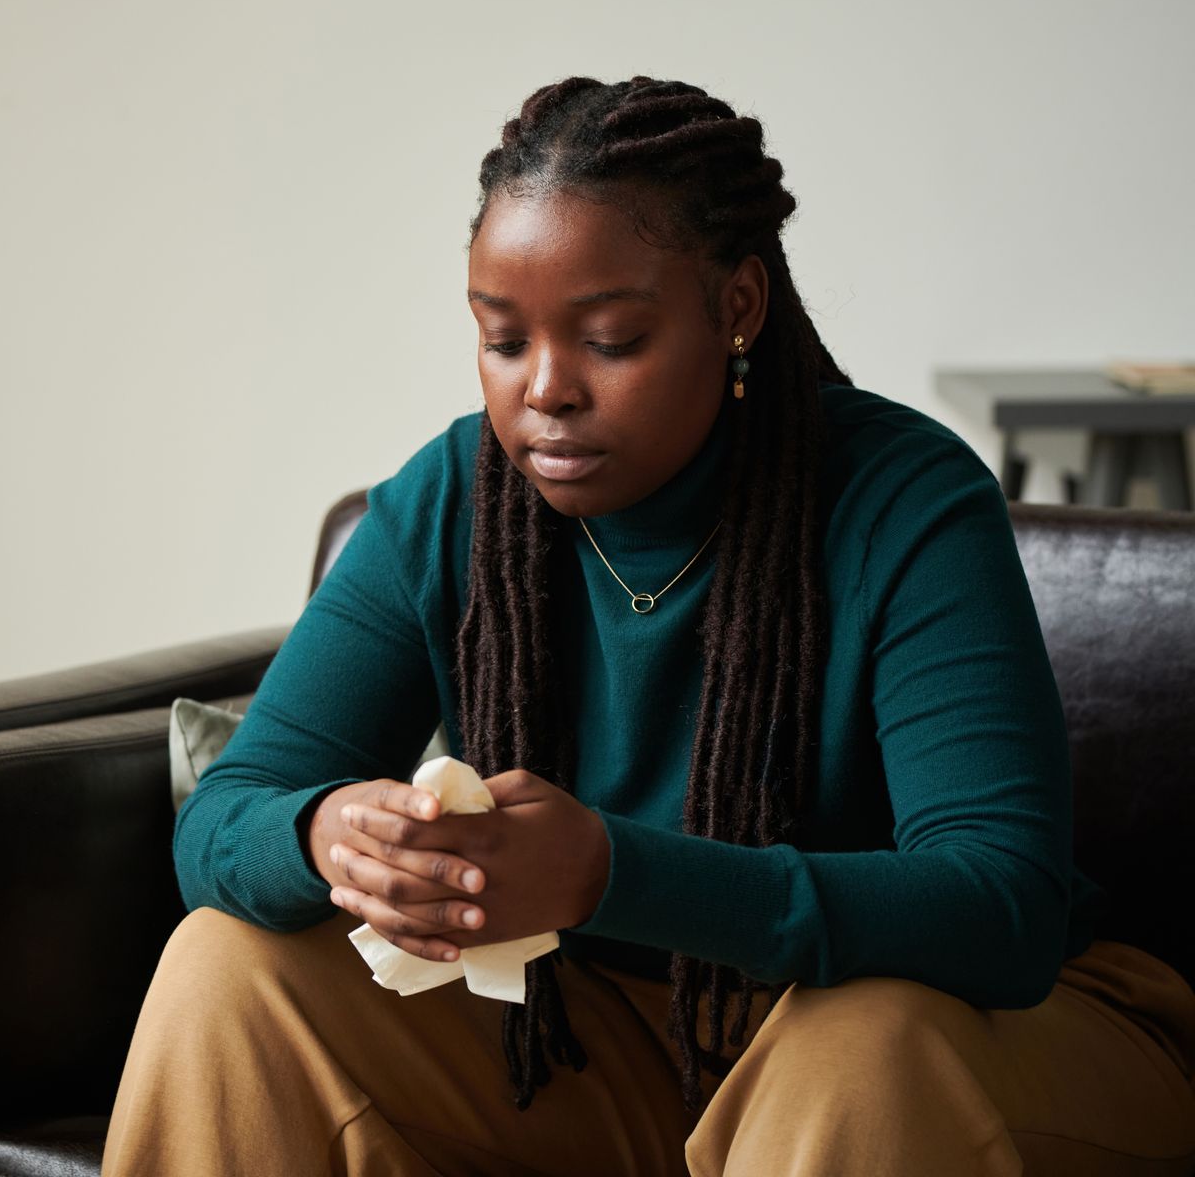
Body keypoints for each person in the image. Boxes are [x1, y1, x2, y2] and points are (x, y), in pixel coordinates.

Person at [100, 76, 1195, 1175]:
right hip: (613, 1040)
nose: (545, 391)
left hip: (969, 1038)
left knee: (855, 1046)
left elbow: (998, 907)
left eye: (611, 339)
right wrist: (328, 833)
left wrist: (609, 872)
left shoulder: (901, 501)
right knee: (226, 967)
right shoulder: (454, 500)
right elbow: (224, 817)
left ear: (738, 308)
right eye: (502, 339)